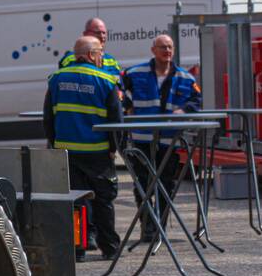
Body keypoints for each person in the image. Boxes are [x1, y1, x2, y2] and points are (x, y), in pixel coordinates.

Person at [44, 36, 123, 261]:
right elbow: (115, 120)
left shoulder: (56, 79)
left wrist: (53, 143)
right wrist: (113, 148)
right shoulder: (106, 81)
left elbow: (48, 117)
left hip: (67, 152)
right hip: (97, 151)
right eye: (99, 54)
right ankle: (109, 247)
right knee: (103, 200)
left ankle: (78, 249)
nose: (101, 58)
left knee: (74, 201)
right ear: (90, 55)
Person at [121, 33, 201, 241]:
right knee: (143, 185)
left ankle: (160, 227)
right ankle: (148, 226)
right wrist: (127, 107)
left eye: (170, 47)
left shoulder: (185, 78)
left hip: (168, 141)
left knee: (166, 185)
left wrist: (184, 111)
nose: (167, 51)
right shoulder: (134, 73)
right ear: (153, 50)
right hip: (142, 140)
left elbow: (196, 100)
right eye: (162, 47)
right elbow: (119, 91)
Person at [58, 18, 122, 83]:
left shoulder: (111, 61)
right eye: (98, 32)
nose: (102, 36)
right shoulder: (69, 59)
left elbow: (118, 85)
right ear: (85, 34)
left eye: (104, 33)